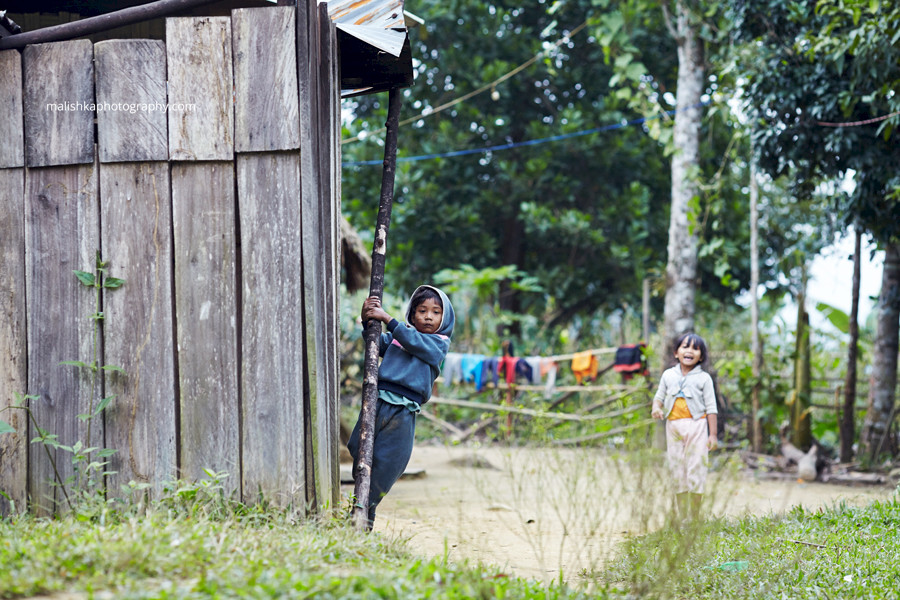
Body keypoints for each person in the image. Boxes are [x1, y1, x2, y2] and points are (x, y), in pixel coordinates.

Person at [347, 285, 454, 528]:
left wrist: (388, 319)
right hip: (378, 402)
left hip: (404, 412)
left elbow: (415, 342)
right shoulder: (399, 337)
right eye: (422, 311)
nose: (428, 316)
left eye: (436, 312)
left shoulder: (438, 344)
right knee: (358, 447)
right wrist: (369, 322)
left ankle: (365, 514)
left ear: (444, 318)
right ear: (413, 315)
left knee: (391, 463)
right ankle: (359, 504)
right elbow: (376, 343)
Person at [651, 332, 718, 520]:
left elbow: (711, 408)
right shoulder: (668, 375)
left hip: (697, 426)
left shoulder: (704, 379)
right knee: (677, 467)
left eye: (695, 349)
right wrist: (656, 408)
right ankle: (682, 517)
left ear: (701, 357)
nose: (690, 351)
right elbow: (659, 398)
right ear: (676, 352)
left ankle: (695, 517)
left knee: (696, 467)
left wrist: (712, 435)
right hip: (673, 427)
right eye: (685, 347)